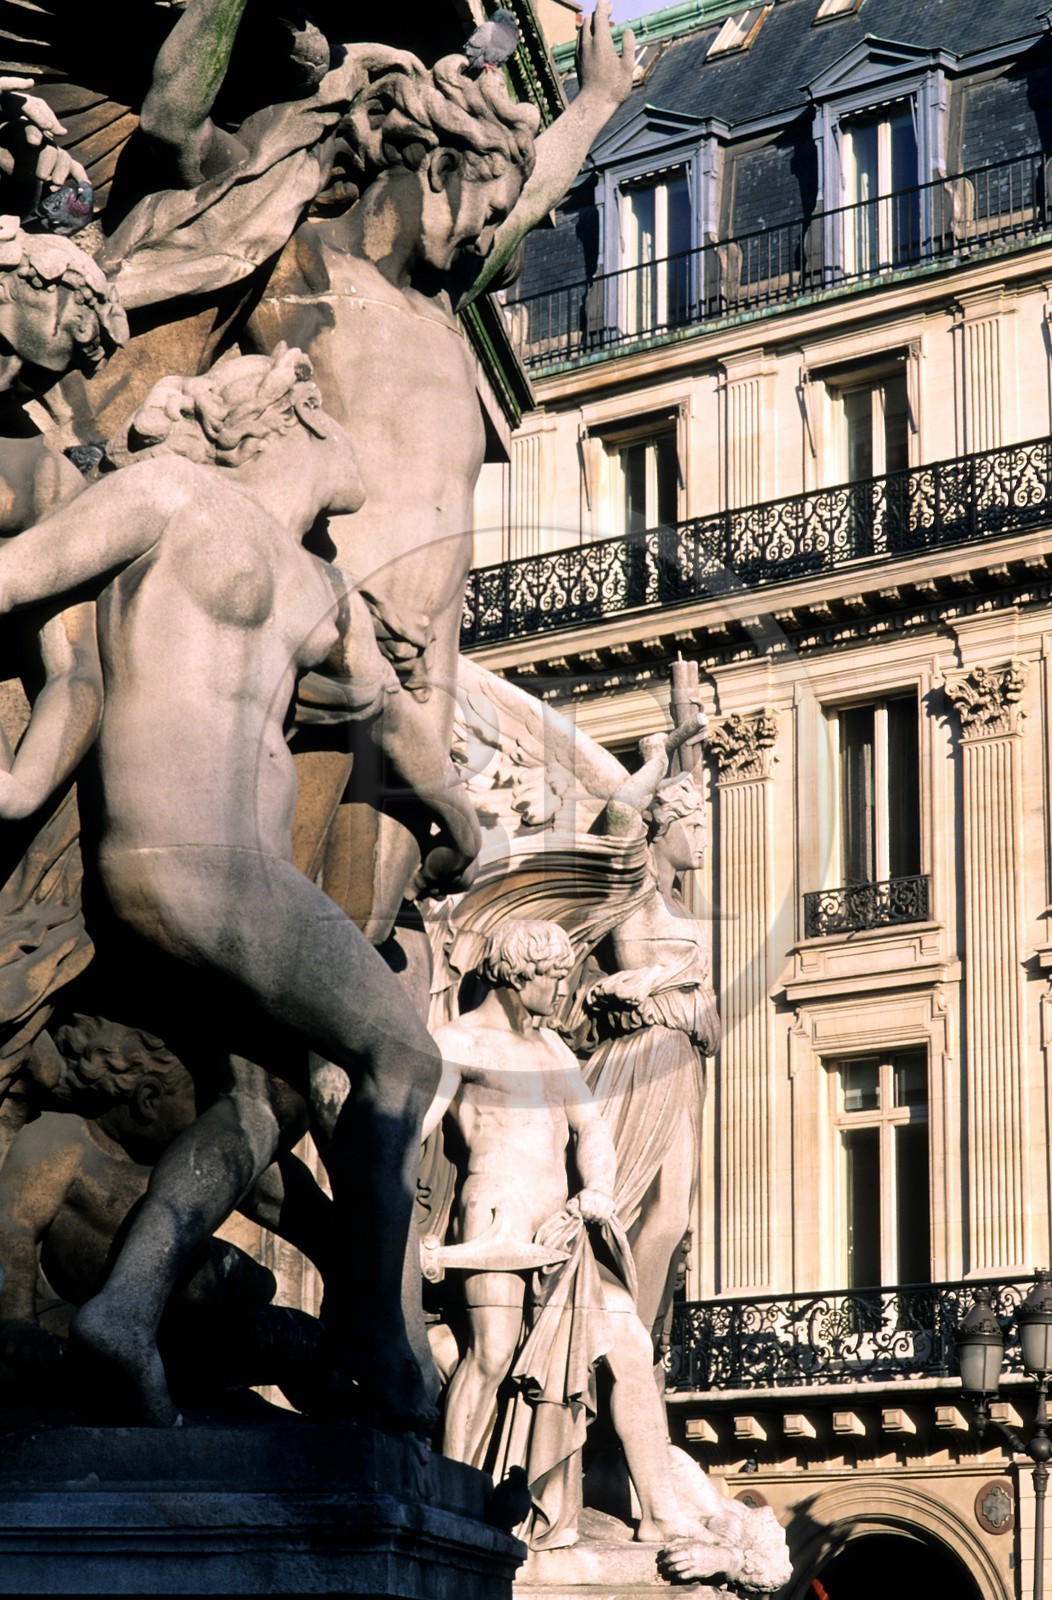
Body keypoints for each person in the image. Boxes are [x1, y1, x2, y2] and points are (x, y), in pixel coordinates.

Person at [0, 344, 479, 1430]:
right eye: (338, 406)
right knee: (401, 1054)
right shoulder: (168, 493)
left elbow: (389, 717)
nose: (358, 435)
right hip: (197, 857)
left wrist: (455, 815)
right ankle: (371, 1329)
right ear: (294, 414)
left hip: (226, 875)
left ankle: (124, 1308)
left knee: (261, 1101)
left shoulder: (315, 581)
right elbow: (16, 576)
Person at [425, 919, 688, 1549]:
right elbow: (415, 1128)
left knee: (624, 1335)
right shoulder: (459, 1041)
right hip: (495, 1216)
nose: (563, 991)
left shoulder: (554, 1051)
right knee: (490, 1355)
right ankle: (451, 1498)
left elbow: (591, 1132)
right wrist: (412, 1236)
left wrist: (596, 1191)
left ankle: (659, 1509)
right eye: (554, 977)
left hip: (562, 1229)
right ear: (520, 973)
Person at [584, 723, 720, 1350]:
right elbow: (617, 812)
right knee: (640, 1203)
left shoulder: (683, 907)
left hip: (682, 1056)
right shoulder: (633, 886)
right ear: (662, 831)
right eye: (693, 827)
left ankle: (632, 1338)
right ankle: (622, 1339)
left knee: (674, 1213)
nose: (703, 841)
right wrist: (656, 761)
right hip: (643, 1056)